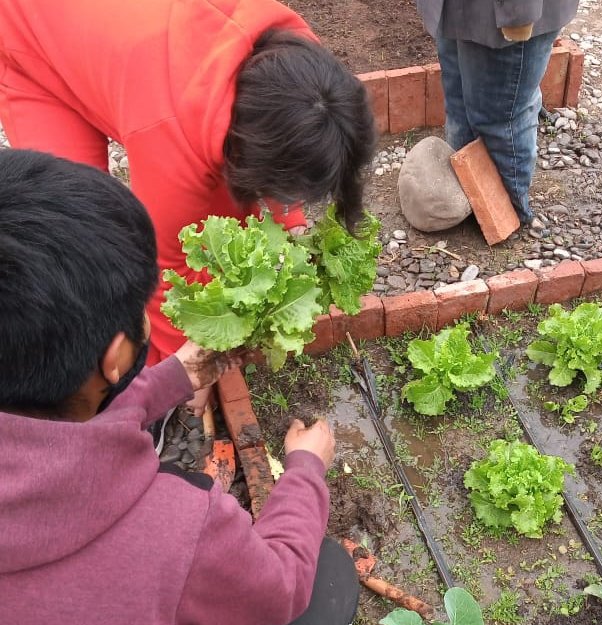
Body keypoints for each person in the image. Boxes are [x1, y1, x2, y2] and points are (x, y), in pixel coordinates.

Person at [0, 148, 359, 625]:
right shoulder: (172, 528)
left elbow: (51, 428)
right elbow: (280, 585)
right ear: (117, 356)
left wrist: (169, 380)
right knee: (327, 576)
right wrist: (305, 471)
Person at [0, 0, 376, 380]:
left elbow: (285, 135)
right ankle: (121, 384)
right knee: (80, 237)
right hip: (30, 41)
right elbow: (165, 272)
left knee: (222, 223)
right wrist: (183, 375)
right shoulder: (168, 136)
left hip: (119, 46)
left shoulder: (300, 66)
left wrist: (289, 219)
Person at [416, 0, 579, 231]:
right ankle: (471, 202)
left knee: (502, 118)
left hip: (502, 17)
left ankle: (508, 214)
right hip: (459, 10)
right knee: (460, 105)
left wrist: (518, 14)